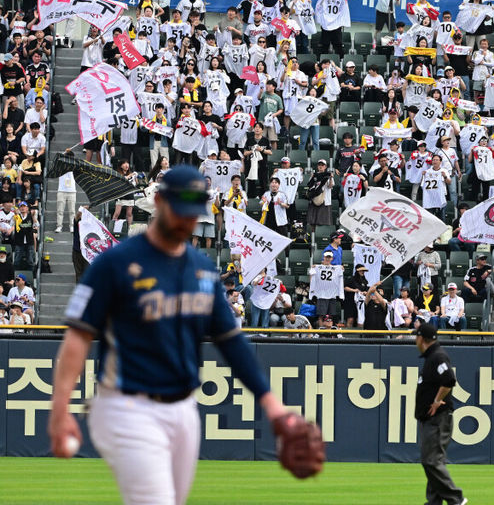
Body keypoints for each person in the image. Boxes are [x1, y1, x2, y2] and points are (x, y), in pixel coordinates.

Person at [47, 166, 322, 502]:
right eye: (181, 211)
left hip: (183, 410)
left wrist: (275, 408)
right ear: (160, 202)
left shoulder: (202, 269)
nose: (187, 221)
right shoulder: (115, 264)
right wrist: (60, 410)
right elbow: (77, 338)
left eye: (194, 214)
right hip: (127, 407)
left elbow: (231, 342)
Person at [412, 323, 466, 505]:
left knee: (431, 461)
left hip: (438, 418)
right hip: (430, 419)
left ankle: (456, 500)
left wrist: (436, 401)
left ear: (422, 338)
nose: (415, 340)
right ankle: (434, 502)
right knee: (432, 461)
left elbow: (449, 379)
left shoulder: (438, 356)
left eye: (416, 337)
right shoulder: (432, 357)